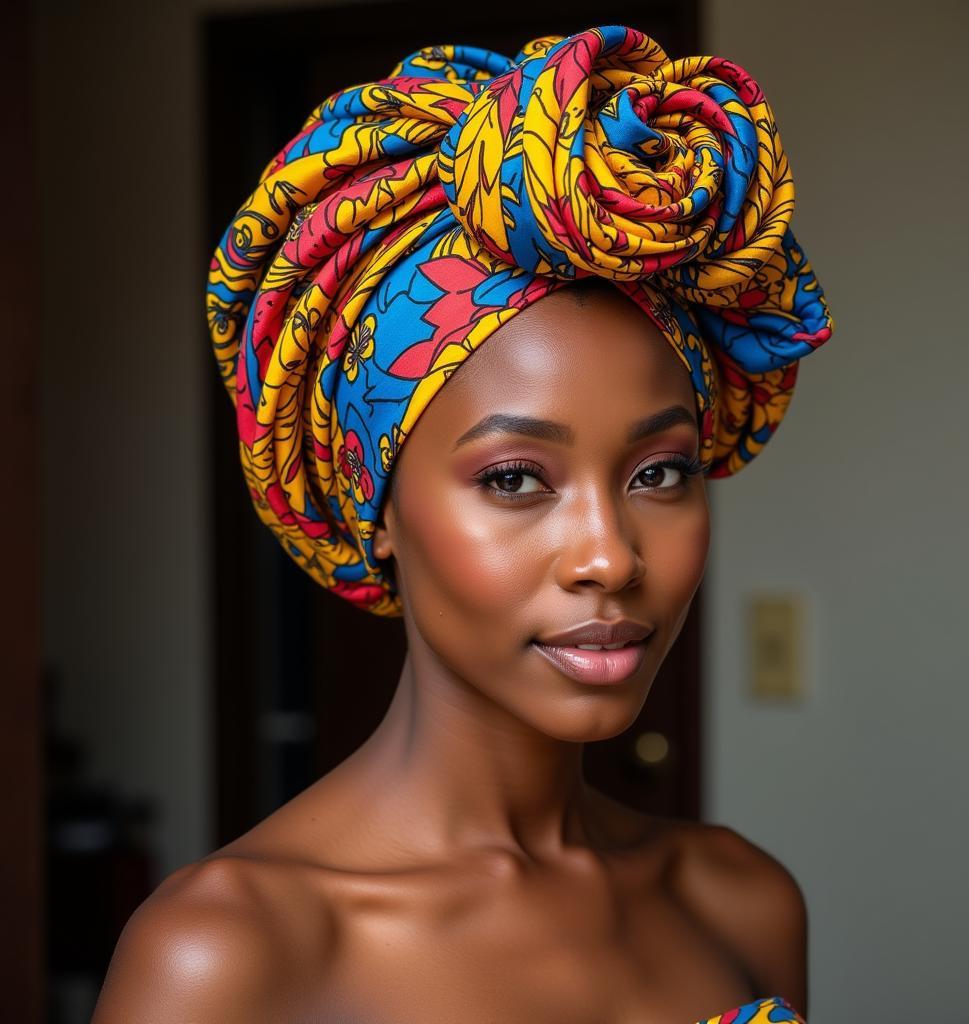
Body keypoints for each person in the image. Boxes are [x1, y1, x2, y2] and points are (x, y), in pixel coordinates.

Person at [93, 25, 832, 1023]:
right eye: (518, 478)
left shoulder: (738, 901)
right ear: (377, 509)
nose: (610, 556)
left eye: (659, 470)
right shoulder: (228, 957)